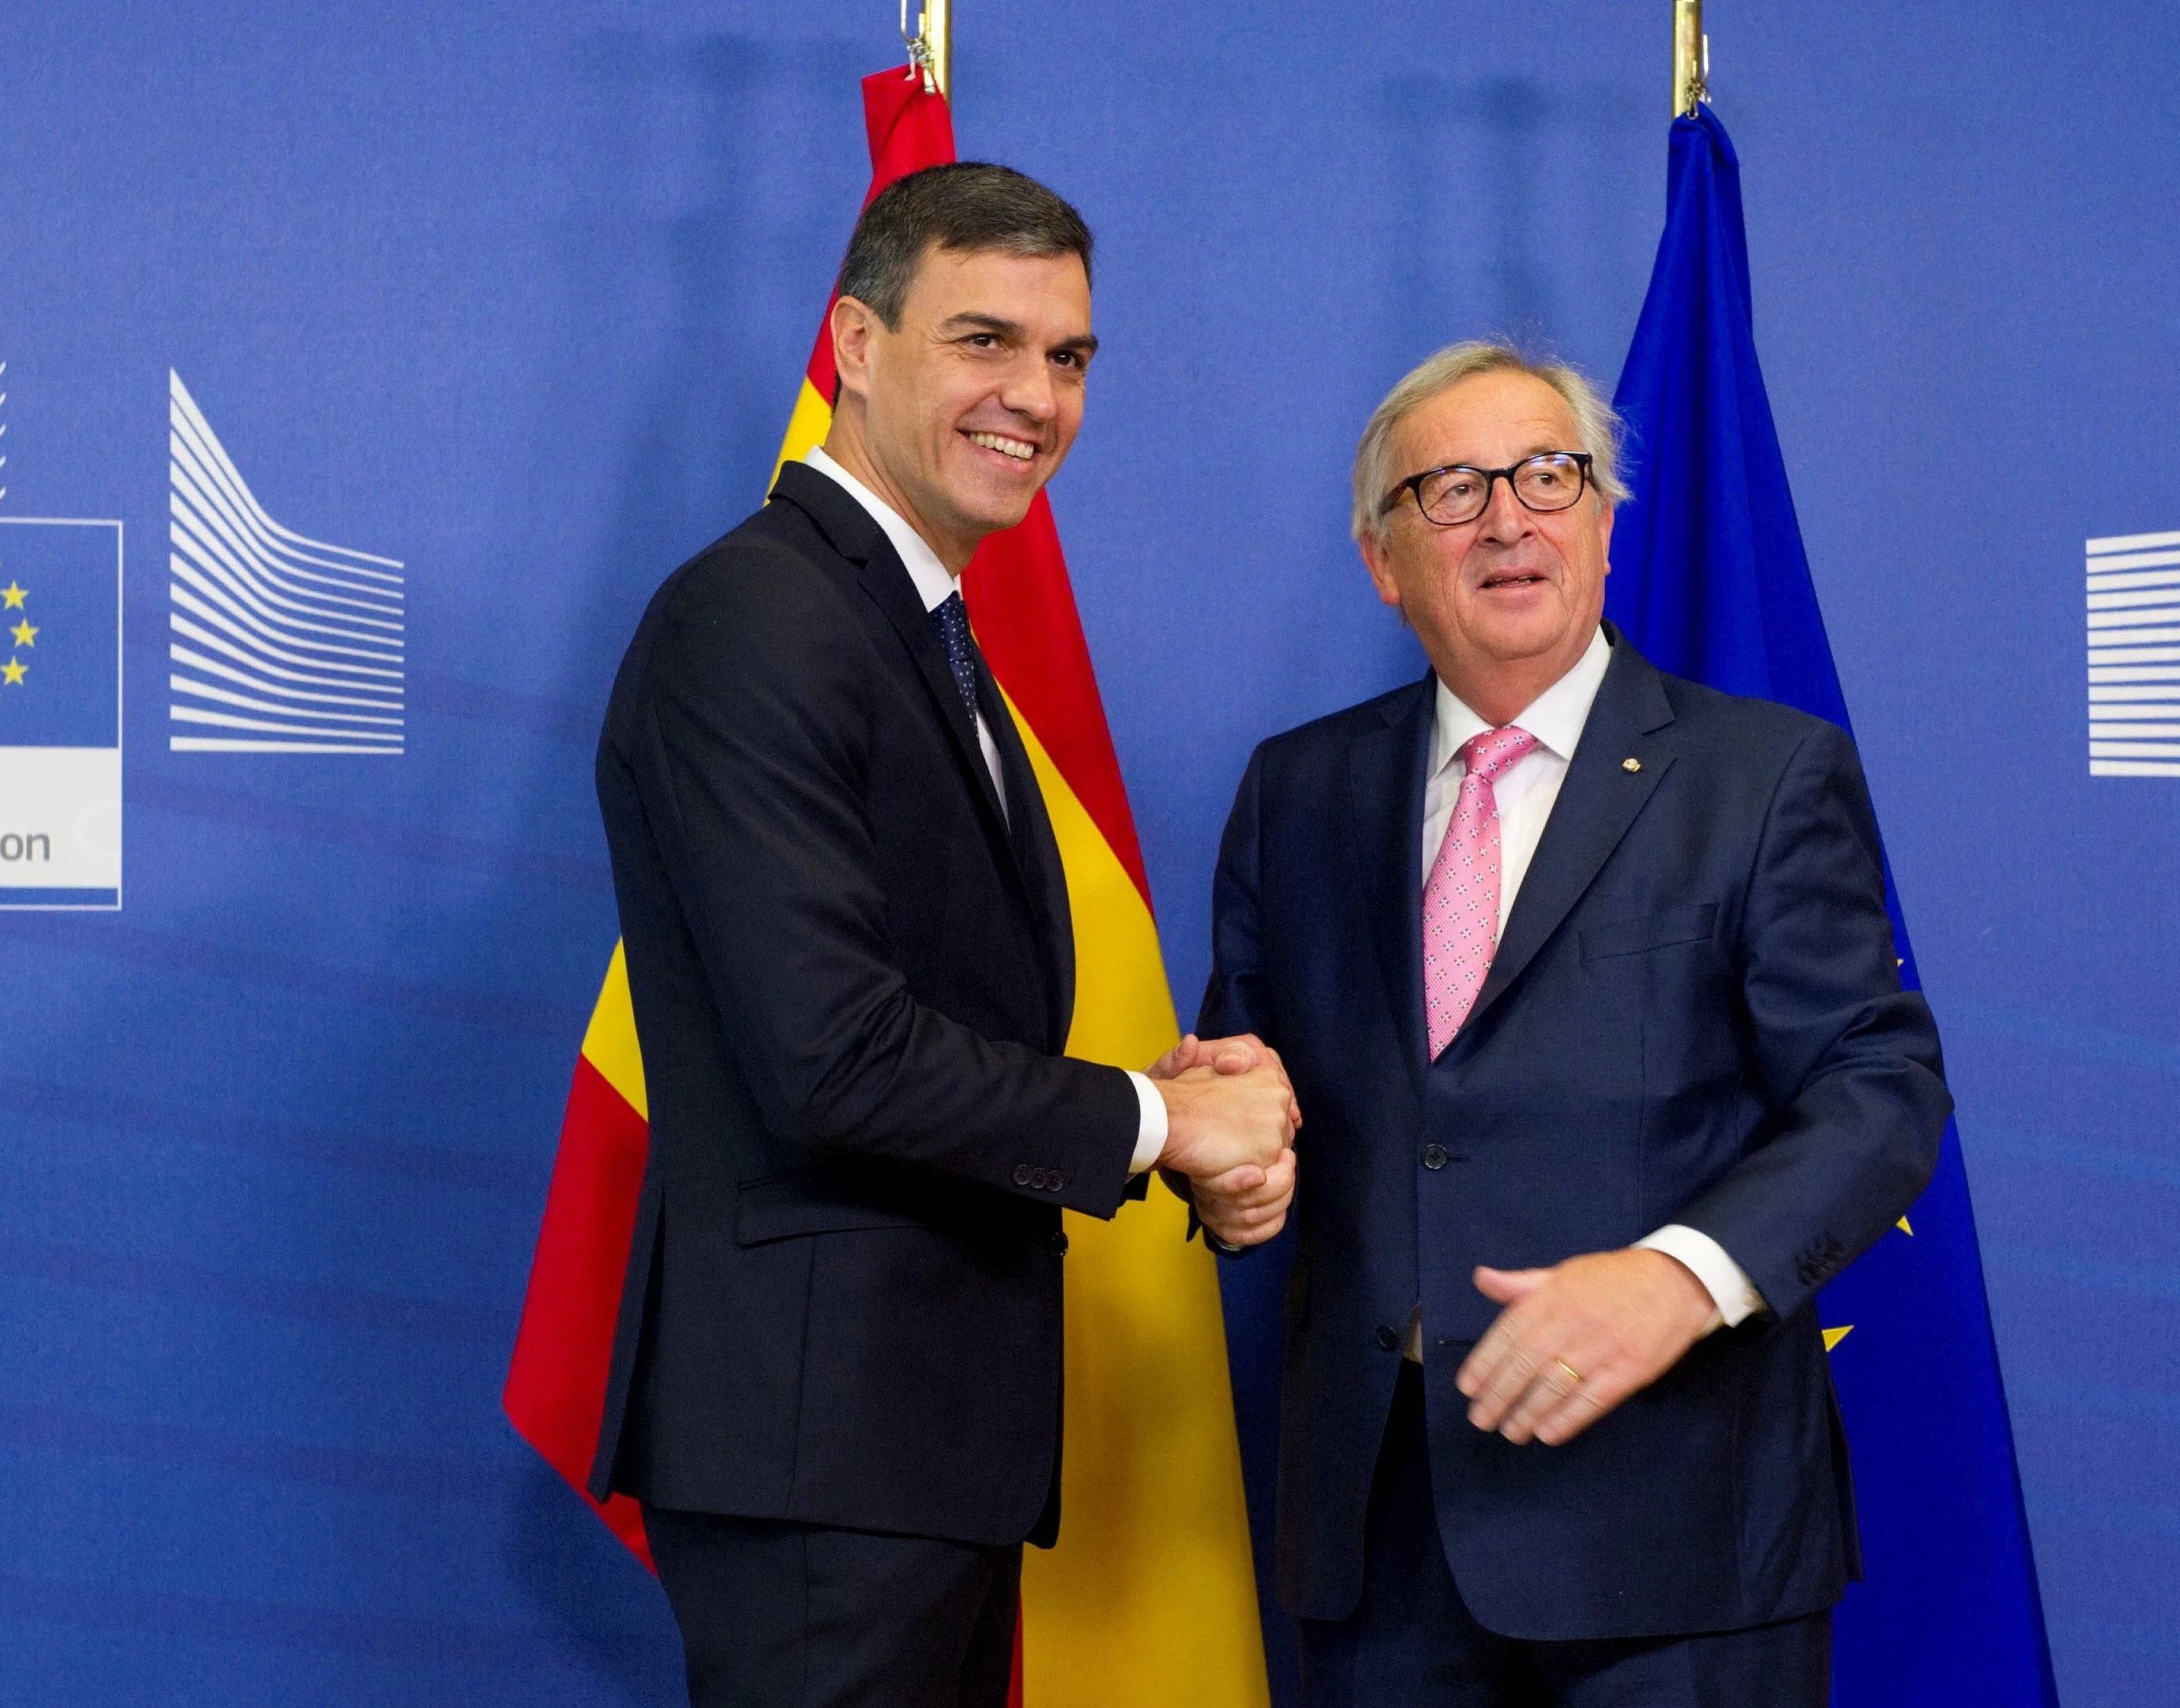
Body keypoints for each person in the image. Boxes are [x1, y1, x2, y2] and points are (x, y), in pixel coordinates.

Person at [587, 162, 1297, 1708]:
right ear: (855, 340)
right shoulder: (759, 618)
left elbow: (934, 1012)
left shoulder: (918, 627)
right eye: (984, 340)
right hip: (822, 1463)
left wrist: (1168, 1112)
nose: (1032, 396)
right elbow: (834, 1059)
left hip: (905, 1459)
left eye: (1068, 356)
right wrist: (1165, 1123)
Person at [1196, 342, 1948, 1706]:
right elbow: (1252, 1100)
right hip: (1378, 1538)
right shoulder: (1294, 791)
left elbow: (1876, 1083)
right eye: (1451, 488)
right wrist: (1232, 1172)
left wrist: (1678, 1275)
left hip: (1676, 1536)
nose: (1506, 517)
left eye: (1549, 475)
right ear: (1382, 558)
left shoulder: (1759, 774)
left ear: (1602, 524)